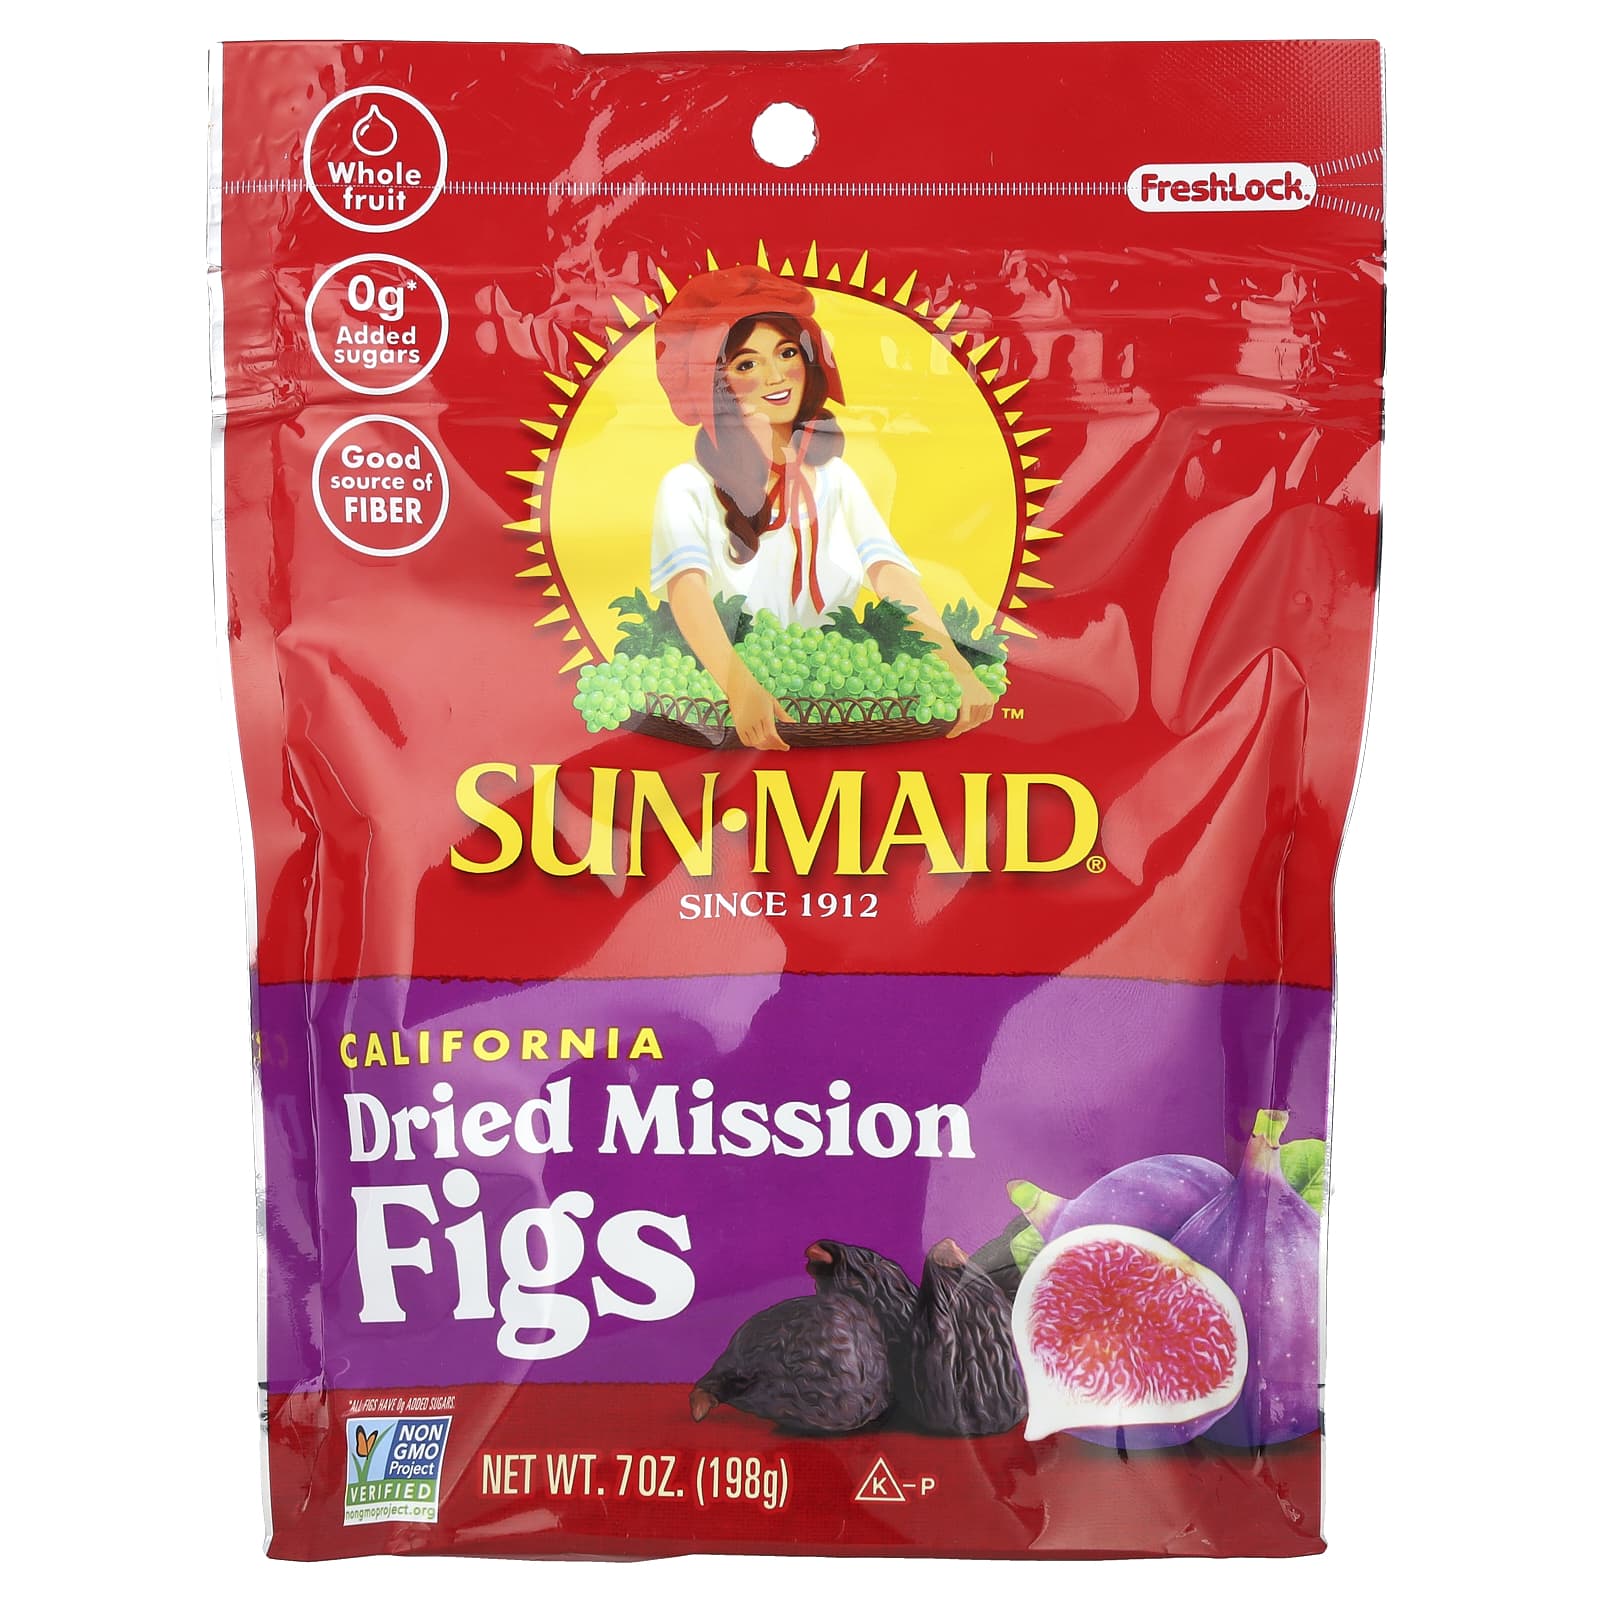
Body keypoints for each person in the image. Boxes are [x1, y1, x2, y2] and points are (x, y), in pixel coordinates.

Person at [650, 265, 995, 751]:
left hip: (834, 692)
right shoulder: (686, 486)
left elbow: (889, 574)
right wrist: (739, 686)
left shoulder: (836, 479)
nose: (775, 376)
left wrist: (956, 664)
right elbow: (688, 593)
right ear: (714, 383)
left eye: (787, 352)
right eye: (746, 364)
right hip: (734, 700)